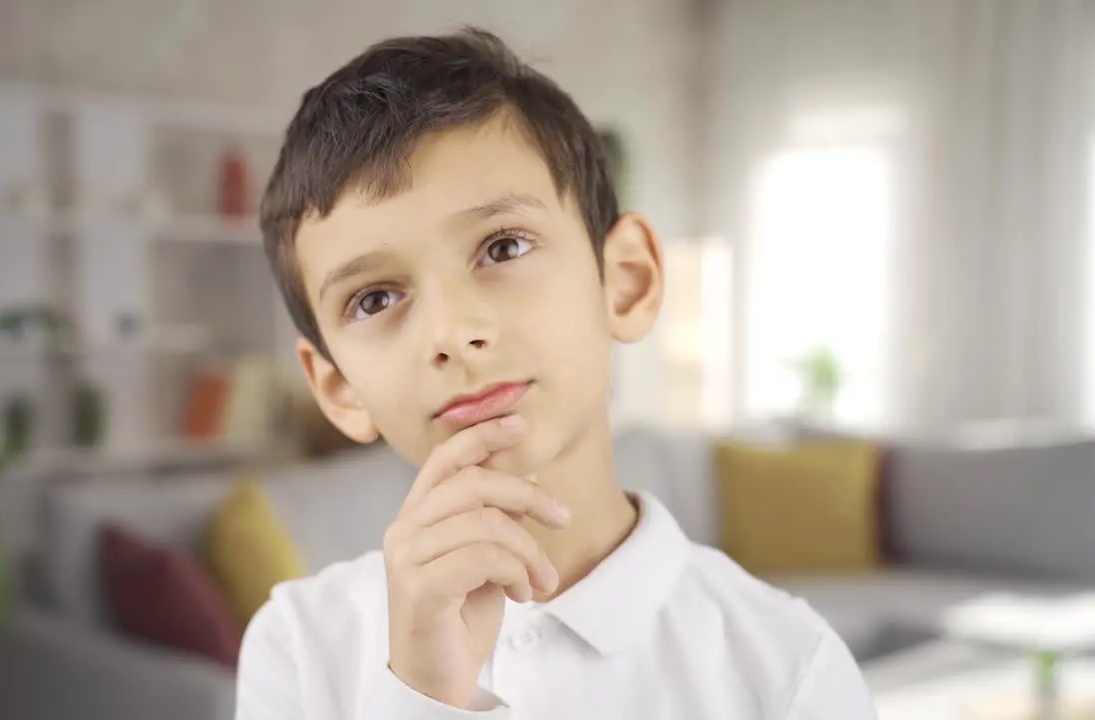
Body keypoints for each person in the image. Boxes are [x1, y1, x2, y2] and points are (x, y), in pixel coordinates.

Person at [236, 26, 876, 719]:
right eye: (376, 299)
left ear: (625, 282)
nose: (452, 332)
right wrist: (419, 692)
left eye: (503, 246)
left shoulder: (788, 669)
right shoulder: (296, 645)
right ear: (337, 387)